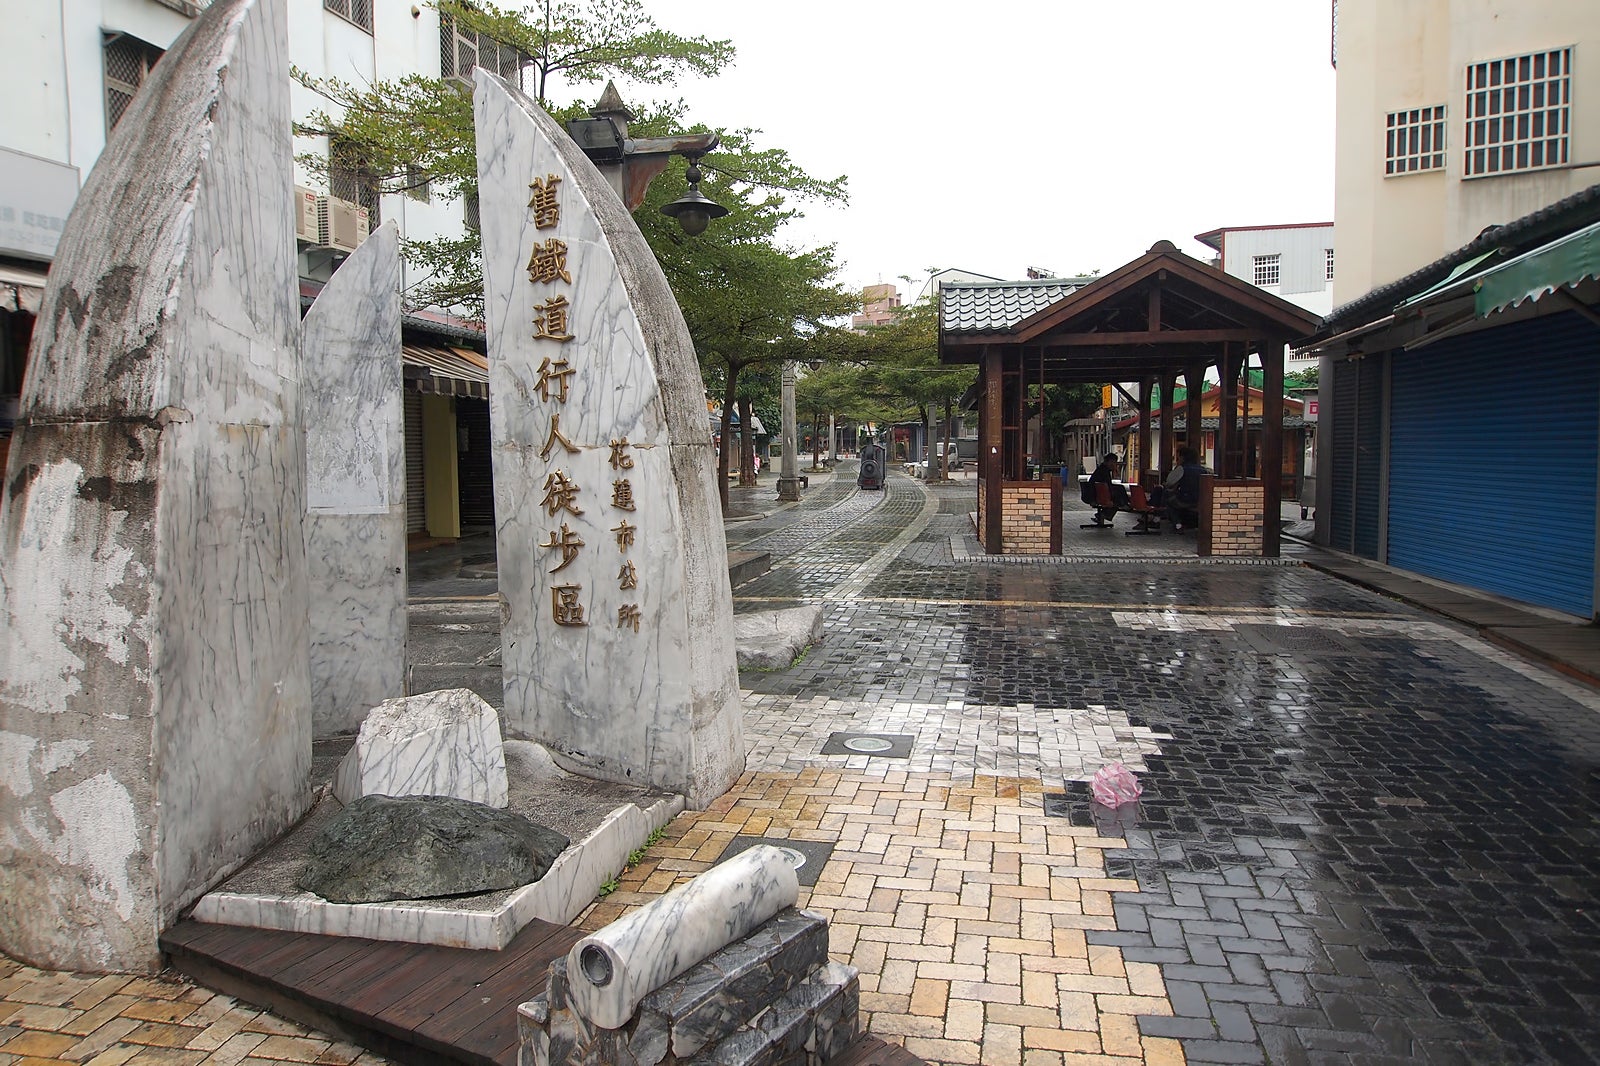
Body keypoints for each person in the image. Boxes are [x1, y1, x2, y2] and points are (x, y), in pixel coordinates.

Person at [1167, 445, 1208, 532]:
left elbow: (1169, 482)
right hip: (1200, 500)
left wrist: (1177, 467)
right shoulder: (1203, 470)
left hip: (1184, 499)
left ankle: (1177, 524)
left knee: (1168, 499)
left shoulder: (1182, 469)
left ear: (1182, 457)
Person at [1083, 452, 1129, 524]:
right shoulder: (1104, 472)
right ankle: (1105, 514)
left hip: (1095, 494)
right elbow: (1107, 486)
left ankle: (1102, 515)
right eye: (1113, 462)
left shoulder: (1101, 469)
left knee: (1118, 494)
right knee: (1118, 498)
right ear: (1108, 462)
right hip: (1098, 495)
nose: (1114, 465)